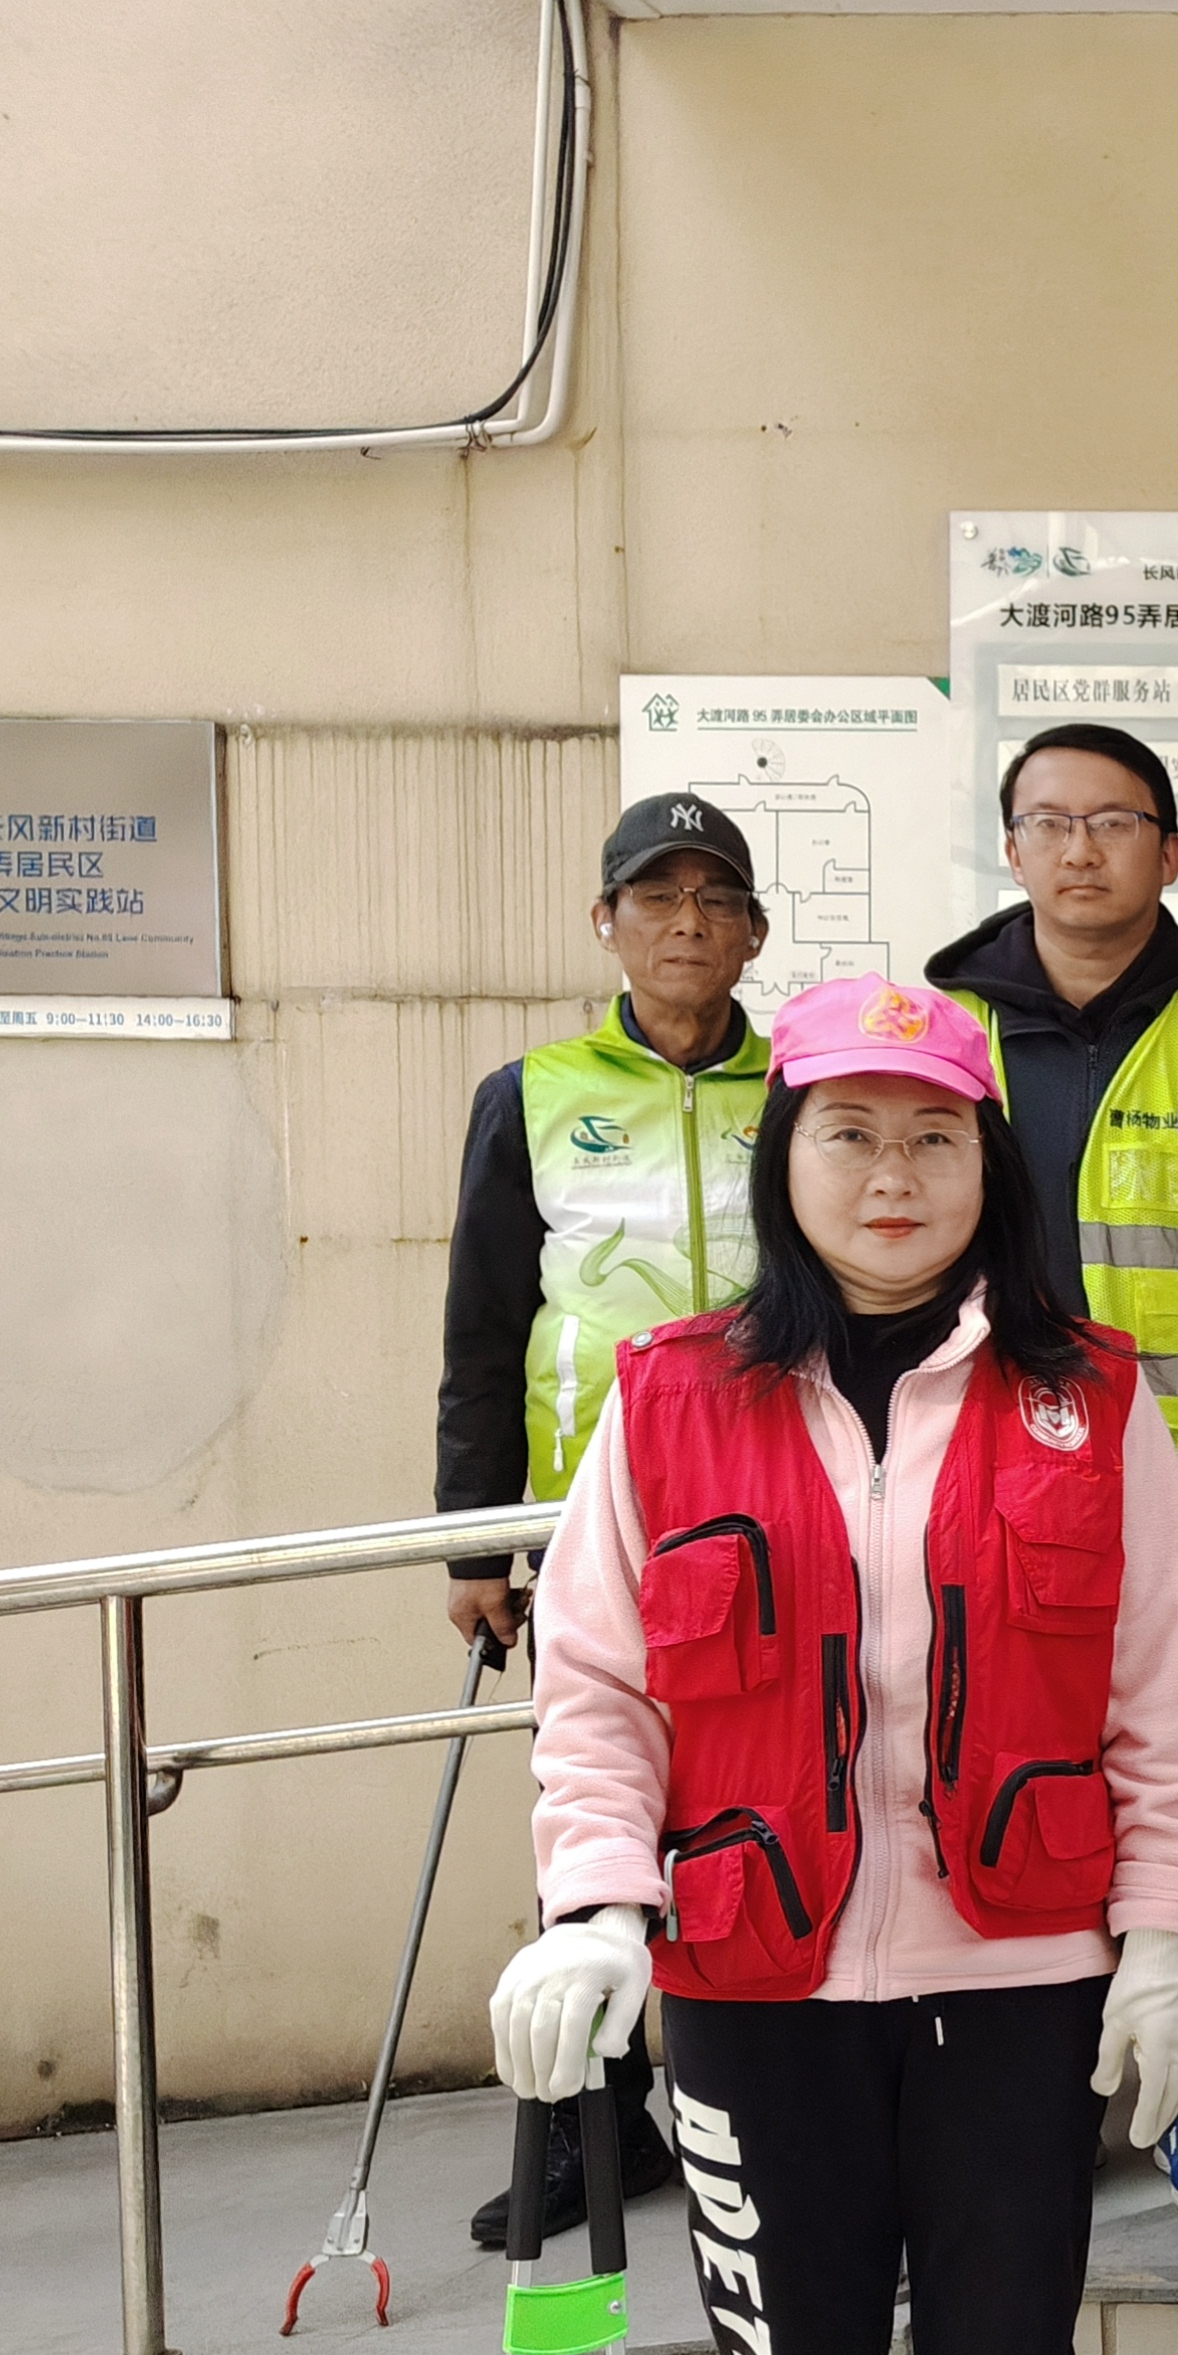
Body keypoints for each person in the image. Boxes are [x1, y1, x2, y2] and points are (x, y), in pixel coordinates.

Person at [482, 975, 1178, 2355]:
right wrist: (595, 1907)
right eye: (851, 1134)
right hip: (754, 1994)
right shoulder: (669, 1396)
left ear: (992, 1164)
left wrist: (1160, 1944)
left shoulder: (1092, 1399)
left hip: (1016, 1987)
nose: (894, 1176)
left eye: (934, 1137)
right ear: (783, 1155)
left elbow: (1161, 1704)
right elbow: (597, 1695)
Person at [926, 719, 1178, 2216]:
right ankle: (1036, 2094)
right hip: (984, 1488)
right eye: (1050, 821)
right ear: (1011, 847)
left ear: (1169, 850)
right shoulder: (941, 1032)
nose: (1081, 848)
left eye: (1113, 821)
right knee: (1006, 1778)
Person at [433, 789, 778, 2247]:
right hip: (590, 1523)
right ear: (607, 922)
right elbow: (481, 1327)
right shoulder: (530, 1094)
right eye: (656, 898)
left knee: (757, 1802)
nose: (686, 924)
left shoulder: (804, 1088)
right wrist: (474, 1544)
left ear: (754, 932)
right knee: (592, 1811)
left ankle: (751, 2098)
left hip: (772, 1515)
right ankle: (598, 2123)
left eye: (714, 900)